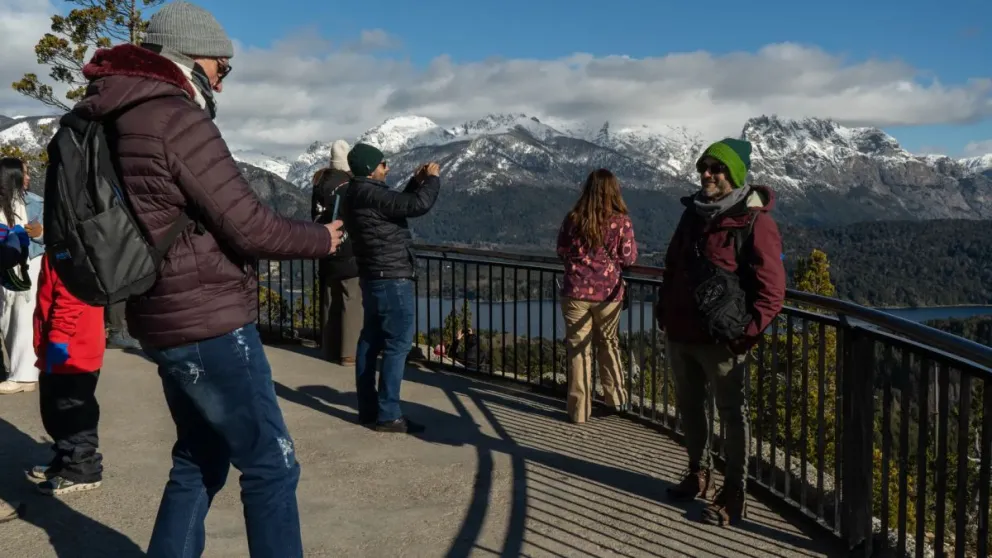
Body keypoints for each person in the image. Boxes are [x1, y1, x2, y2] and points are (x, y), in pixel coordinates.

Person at [71, 2, 343, 556]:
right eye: (224, 67)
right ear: (193, 58)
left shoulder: (113, 112)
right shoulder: (174, 117)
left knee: (199, 458)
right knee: (271, 464)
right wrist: (324, 239)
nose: (224, 80)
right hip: (209, 321)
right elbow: (250, 226)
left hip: (160, 314)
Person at [657, 138, 785, 526]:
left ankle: (734, 492)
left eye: (716, 168)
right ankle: (698, 472)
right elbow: (672, 265)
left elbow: (772, 289)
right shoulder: (692, 215)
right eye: (704, 167)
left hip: (724, 341)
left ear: (735, 174)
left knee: (732, 416)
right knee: (690, 409)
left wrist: (747, 334)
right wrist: (665, 312)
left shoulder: (755, 222)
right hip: (682, 335)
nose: (707, 174)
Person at [342, 144, 440, 434]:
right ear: (371, 169)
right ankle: (388, 414)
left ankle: (369, 409)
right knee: (397, 345)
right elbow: (416, 206)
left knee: (370, 342)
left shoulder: (356, 193)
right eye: (383, 164)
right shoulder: (371, 193)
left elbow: (397, 202)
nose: (387, 168)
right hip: (392, 278)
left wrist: (416, 182)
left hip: (373, 277)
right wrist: (432, 180)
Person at [556, 168, 637, 424]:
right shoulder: (621, 221)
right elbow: (629, 257)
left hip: (575, 293)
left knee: (578, 350)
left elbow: (561, 250)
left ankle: (579, 410)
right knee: (609, 344)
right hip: (608, 294)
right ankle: (616, 399)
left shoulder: (573, 219)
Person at [28, 252, 106, 495]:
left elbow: (71, 297)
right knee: (54, 408)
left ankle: (82, 467)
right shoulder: (59, 245)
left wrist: (59, 338)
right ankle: (65, 458)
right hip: (60, 345)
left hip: (72, 347)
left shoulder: (69, 249)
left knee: (73, 410)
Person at [312, 140, 362, 366]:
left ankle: (329, 348)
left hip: (324, 246)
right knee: (351, 300)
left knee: (330, 300)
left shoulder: (319, 182)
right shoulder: (350, 184)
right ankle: (349, 353)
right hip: (349, 248)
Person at [0, 157, 43, 395]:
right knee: (7, 317)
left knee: (24, 317)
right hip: (4, 266)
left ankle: (24, 375)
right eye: (24, 173)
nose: (28, 178)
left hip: (28, 265)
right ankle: (20, 371)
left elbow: (54, 236)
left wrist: (40, 232)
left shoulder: (35, 203)